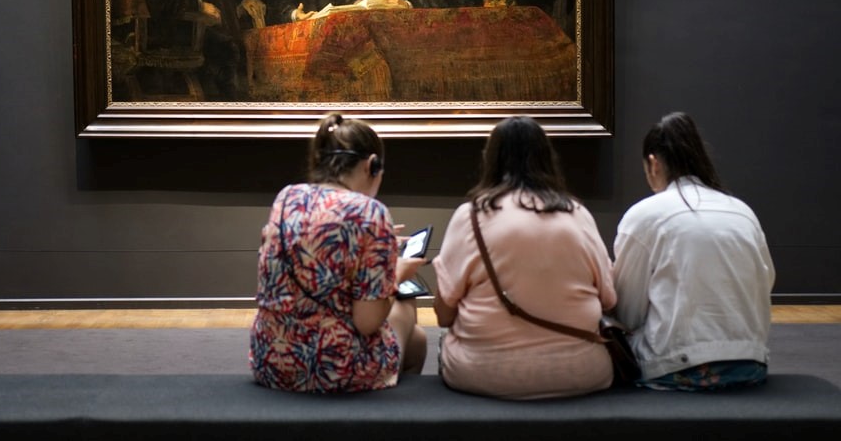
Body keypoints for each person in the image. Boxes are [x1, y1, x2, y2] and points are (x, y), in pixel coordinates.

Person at [432, 116, 617, 400]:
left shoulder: (470, 216)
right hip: (581, 372)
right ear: (547, 158)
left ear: (489, 158)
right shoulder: (577, 214)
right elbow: (609, 299)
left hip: (482, 372)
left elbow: (444, 316)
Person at [250, 112, 428, 393]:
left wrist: (376, 246)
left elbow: (312, 250)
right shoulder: (371, 212)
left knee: (416, 339)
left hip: (273, 362)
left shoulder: (287, 198)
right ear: (372, 164)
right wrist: (395, 274)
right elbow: (367, 323)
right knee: (407, 308)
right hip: (336, 370)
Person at [613, 112, 775, 391]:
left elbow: (626, 312)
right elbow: (766, 283)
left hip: (678, 366)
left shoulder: (645, 215)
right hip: (751, 363)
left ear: (653, 164)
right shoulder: (742, 211)